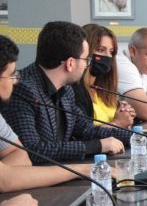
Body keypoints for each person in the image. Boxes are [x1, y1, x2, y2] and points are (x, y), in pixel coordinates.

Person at [1, 22, 129, 164]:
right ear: (70, 63)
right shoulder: (22, 89)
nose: (87, 65)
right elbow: (33, 150)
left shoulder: (66, 90)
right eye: (86, 60)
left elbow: (86, 129)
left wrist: (136, 137)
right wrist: (97, 146)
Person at [0, 34, 93, 191]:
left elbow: (22, 157)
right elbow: (6, 178)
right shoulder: (26, 90)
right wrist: (81, 170)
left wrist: (8, 174)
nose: (15, 81)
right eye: (11, 75)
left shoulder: (66, 92)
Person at [72, 24, 135, 128]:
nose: (108, 56)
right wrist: (117, 123)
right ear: (85, 51)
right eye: (101, 50)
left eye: (111, 52)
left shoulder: (103, 89)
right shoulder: (74, 91)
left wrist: (124, 115)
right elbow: (83, 132)